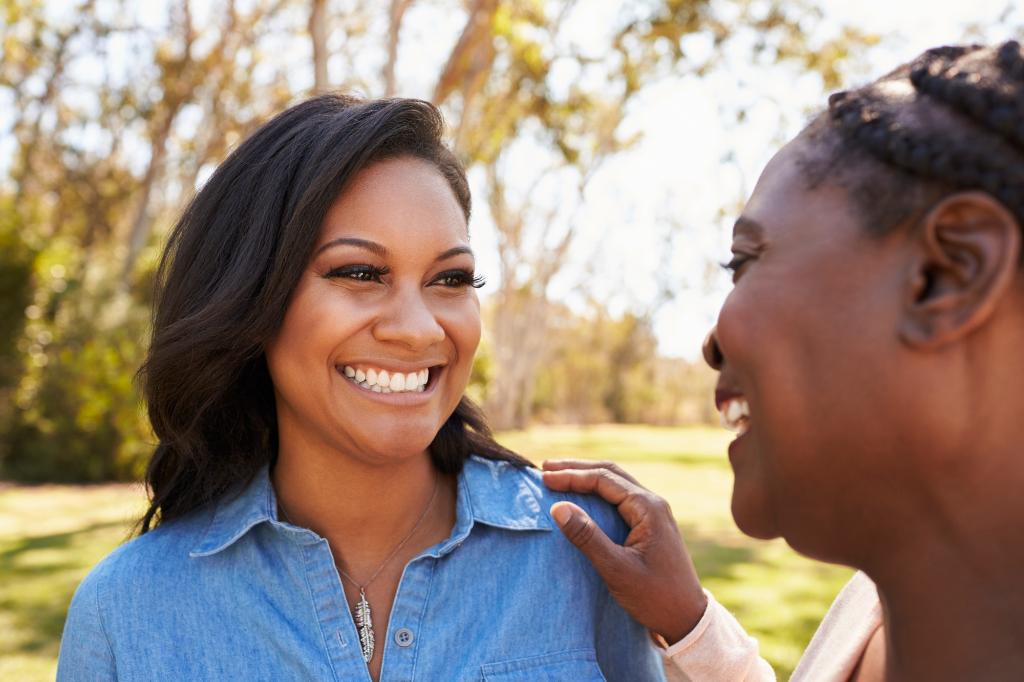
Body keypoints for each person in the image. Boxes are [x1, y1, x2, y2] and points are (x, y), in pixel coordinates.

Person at [56, 95, 664, 681]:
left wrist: (694, 632)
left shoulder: (591, 551)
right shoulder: (125, 614)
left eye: (450, 278)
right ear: (253, 301)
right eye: (360, 273)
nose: (417, 328)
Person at [543, 41, 1024, 681]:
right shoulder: (880, 612)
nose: (711, 341)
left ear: (947, 273)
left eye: (746, 262)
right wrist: (690, 624)